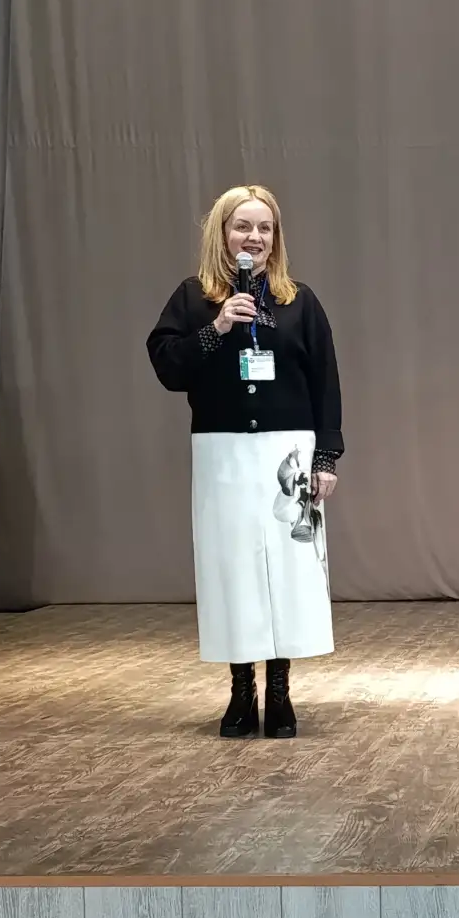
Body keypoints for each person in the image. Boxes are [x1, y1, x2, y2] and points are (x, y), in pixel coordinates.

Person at [146, 185, 343, 738]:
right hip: (223, 451)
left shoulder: (298, 301)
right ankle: (240, 690)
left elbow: (326, 382)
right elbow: (168, 367)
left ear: (275, 238)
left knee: (286, 570)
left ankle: (279, 691)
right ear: (222, 234)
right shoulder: (194, 298)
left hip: (289, 454)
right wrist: (217, 329)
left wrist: (327, 456)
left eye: (264, 228)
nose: (253, 237)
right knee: (232, 567)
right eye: (242, 226)